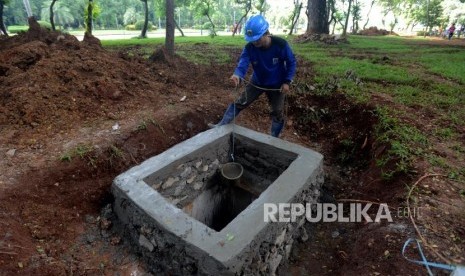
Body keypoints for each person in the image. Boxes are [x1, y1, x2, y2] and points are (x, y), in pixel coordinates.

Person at [209, 15, 297, 138]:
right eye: (252, 39)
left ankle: (274, 138)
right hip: (257, 81)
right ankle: (221, 126)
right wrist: (237, 75)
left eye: (257, 38)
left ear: (266, 33)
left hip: (277, 85)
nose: (255, 42)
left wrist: (287, 81)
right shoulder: (250, 47)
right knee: (240, 102)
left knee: (277, 112)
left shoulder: (280, 45)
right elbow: (243, 63)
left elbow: (291, 62)